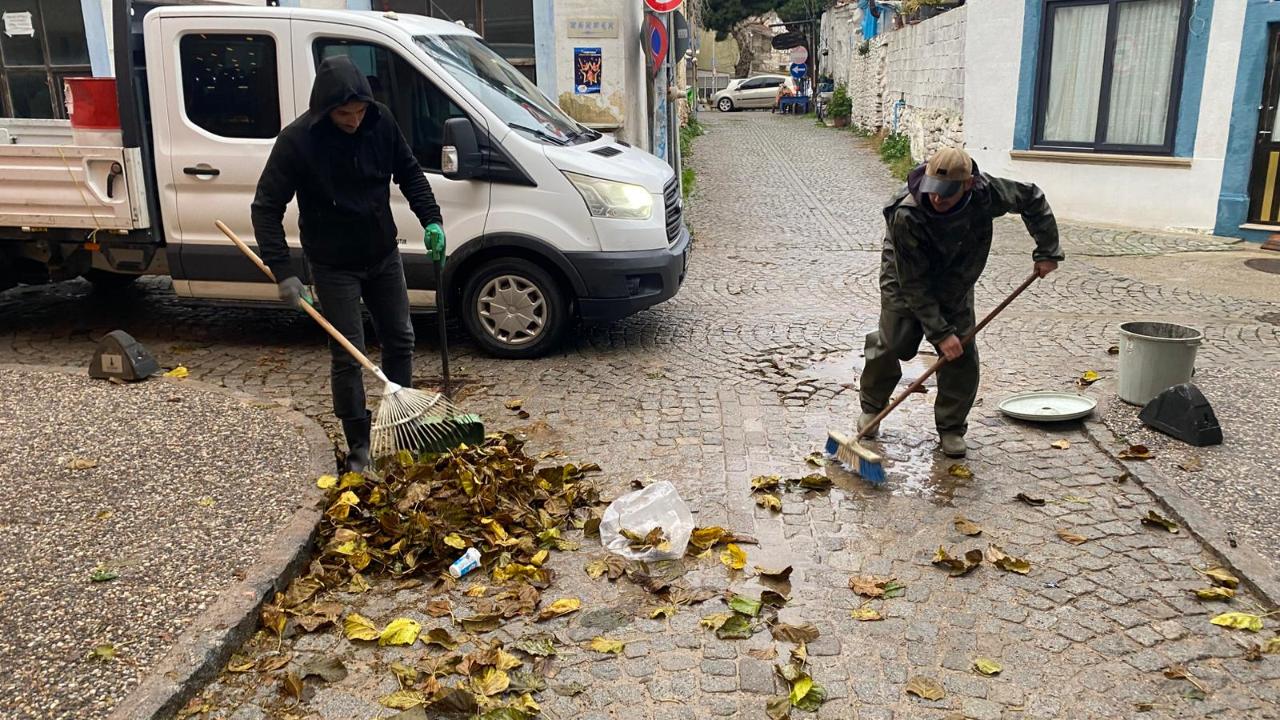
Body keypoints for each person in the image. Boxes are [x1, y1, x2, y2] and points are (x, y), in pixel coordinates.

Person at [251, 56, 447, 472]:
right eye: (344, 114)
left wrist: (432, 219)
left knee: (401, 338)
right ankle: (359, 447)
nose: (354, 121)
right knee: (348, 355)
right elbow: (266, 208)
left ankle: (403, 428)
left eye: (359, 111)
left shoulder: (381, 121)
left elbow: (409, 173)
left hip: (382, 253)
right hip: (332, 264)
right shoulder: (297, 142)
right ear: (326, 110)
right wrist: (283, 272)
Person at [859, 147, 1063, 458]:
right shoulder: (906, 212)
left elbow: (1032, 198)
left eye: (946, 193)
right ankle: (872, 407)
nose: (936, 199)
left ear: (968, 185)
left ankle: (951, 427)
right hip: (904, 273)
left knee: (960, 352)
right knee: (893, 342)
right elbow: (914, 284)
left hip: (957, 273)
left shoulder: (987, 193)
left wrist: (1047, 250)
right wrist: (939, 332)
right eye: (933, 190)